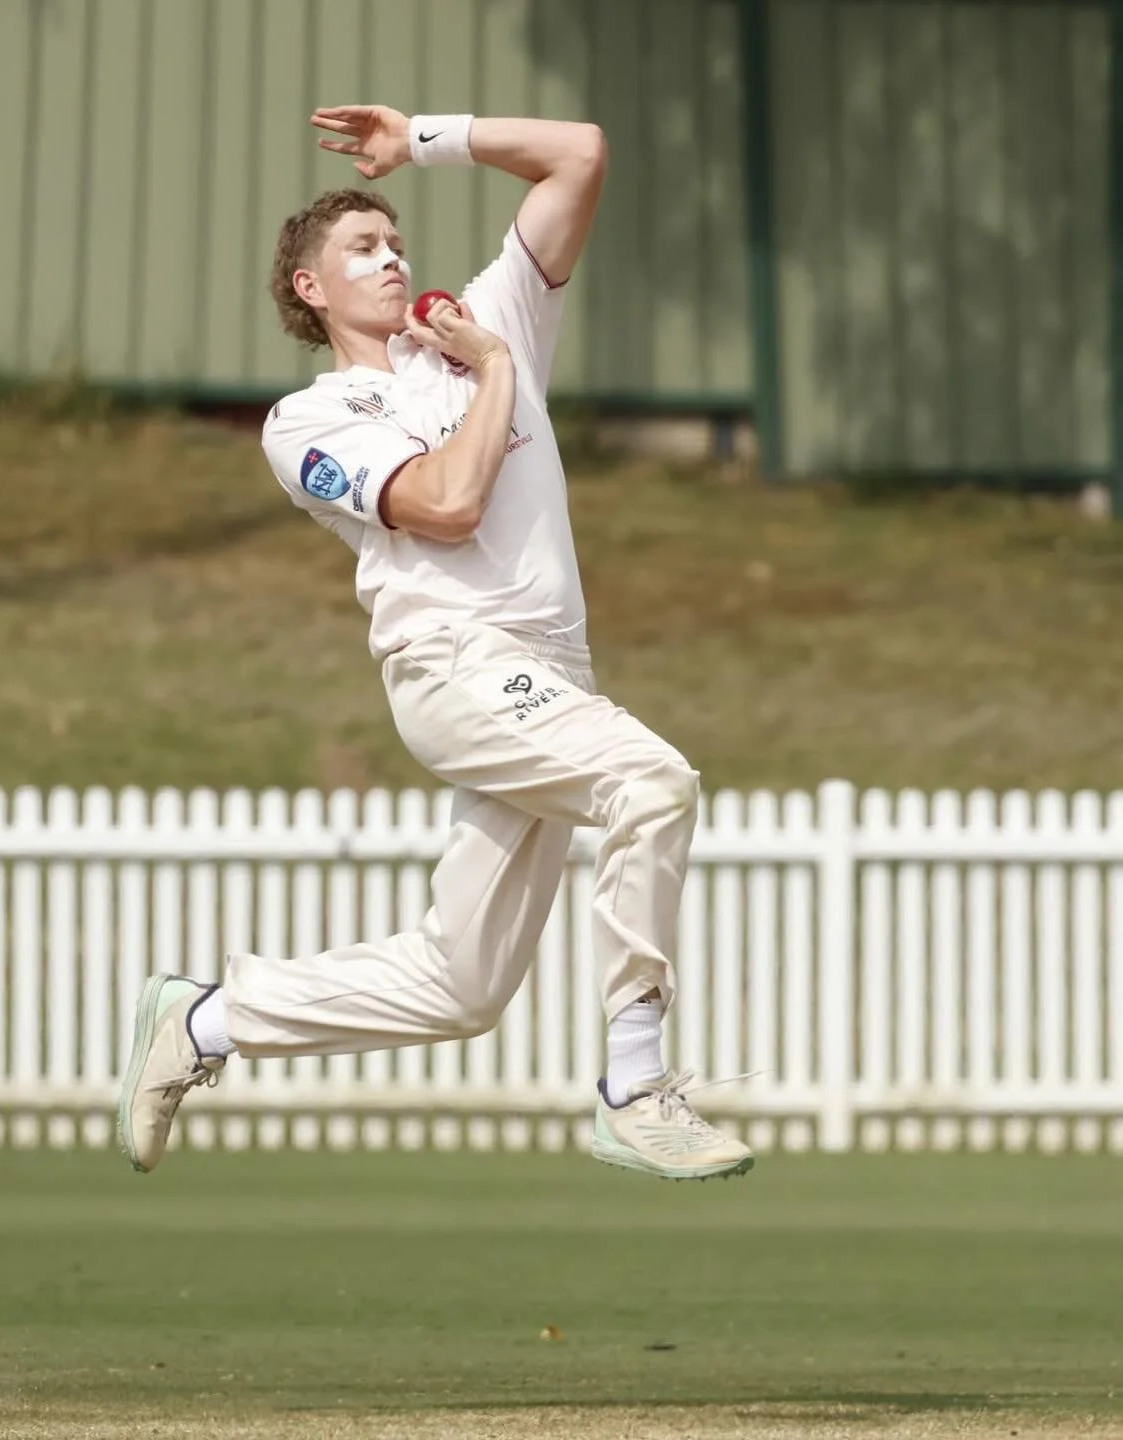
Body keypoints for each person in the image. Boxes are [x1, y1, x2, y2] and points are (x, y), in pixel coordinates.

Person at [117, 106, 753, 1183]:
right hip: (457, 667)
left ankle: (211, 1019)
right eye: (361, 248)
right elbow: (450, 505)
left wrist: (421, 140)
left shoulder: (482, 318)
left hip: (541, 677)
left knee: (461, 988)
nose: (393, 255)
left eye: (395, 237)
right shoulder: (313, 418)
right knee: (651, 782)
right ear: (310, 290)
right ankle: (636, 1087)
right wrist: (498, 371)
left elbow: (582, 153)